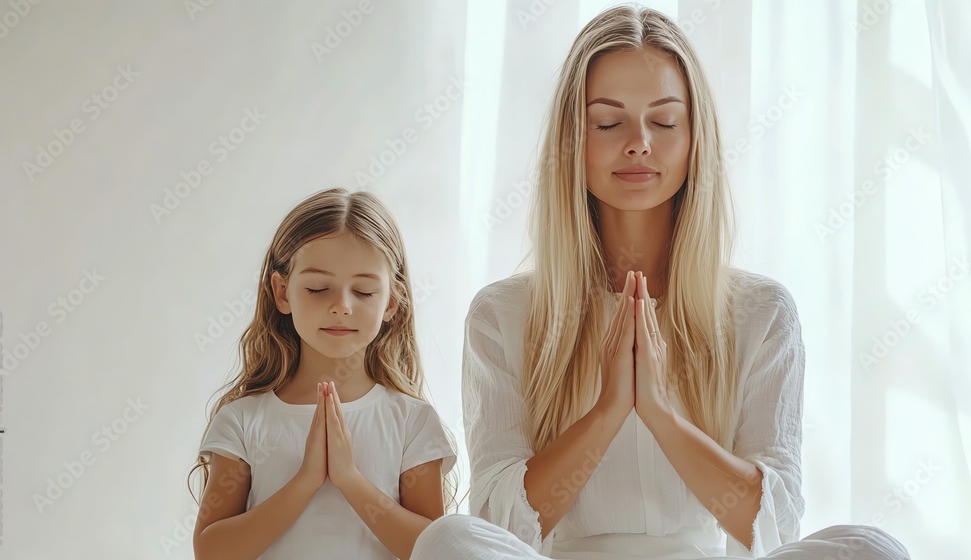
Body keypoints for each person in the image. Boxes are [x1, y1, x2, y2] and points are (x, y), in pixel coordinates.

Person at [411, 5, 909, 560]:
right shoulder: (502, 314)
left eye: (665, 121)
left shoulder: (762, 311)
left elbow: (772, 525)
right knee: (447, 539)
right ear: (571, 140)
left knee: (869, 548)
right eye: (607, 122)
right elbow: (495, 526)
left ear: (696, 138)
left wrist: (660, 413)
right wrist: (607, 410)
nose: (639, 142)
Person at [189, 188, 458, 560]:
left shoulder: (412, 422)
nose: (341, 307)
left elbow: (435, 550)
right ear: (282, 292)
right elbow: (211, 551)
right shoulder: (242, 420)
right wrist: (306, 481)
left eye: (363, 292)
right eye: (317, 288)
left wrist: (349, 479)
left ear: (390, 302)